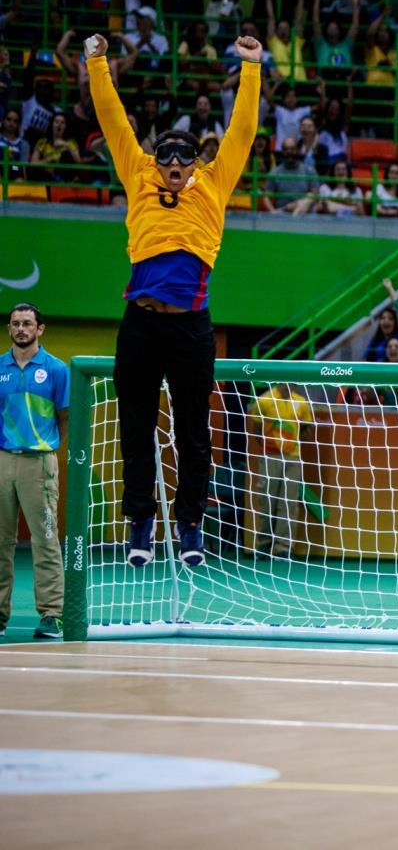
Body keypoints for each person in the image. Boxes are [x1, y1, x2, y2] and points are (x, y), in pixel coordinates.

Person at [86, 31, 262, 569]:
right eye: (168, 157)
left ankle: (189, 526)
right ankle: (141, 520)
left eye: (185, 157)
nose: (176, 165)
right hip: (139, 323)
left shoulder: (213, 182)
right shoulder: (137, 173)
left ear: (196, 160)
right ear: (157, 159)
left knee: (193, 430)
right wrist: (97, 63)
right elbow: (115, 121)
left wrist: (251, 68)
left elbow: (243, 132)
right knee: (134, 426)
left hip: (190, 326)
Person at [0, 304, 67, 639]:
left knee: (45, 540)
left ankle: (52, 615)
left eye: (27, 324)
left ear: (40, 329)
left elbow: (65, 417)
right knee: (0, 542)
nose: (21, 329)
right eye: (15, 324)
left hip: (39, 462)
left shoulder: (56, 369)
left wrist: (46, 448)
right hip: (2, 461)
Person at [248, 382, 312, 557]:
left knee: (289, 503)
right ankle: (263, 544)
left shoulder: (301, 402)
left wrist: (292, 444)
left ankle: (283, 547)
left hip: (294, 457)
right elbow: (257, 429)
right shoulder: (264, 400)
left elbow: (306, 428)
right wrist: (272, 446)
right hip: (270, 456)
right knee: (268, 500)